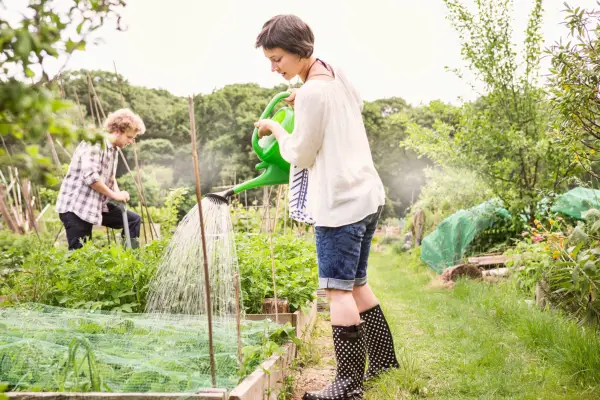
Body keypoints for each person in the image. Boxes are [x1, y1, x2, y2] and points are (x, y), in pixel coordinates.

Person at [254, 14, 399, 400]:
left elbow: (300, 153)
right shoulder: (332, 72)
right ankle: (385, 363)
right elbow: (354, 105)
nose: (273, 67)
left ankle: (348, 384)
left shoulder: (313, 94)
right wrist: (302, 97)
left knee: (337, 291)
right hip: (366, 193)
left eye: (277, 58)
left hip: (340, 202)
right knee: (358, 284)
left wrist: (277, 129)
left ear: (300, 51)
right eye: (269, 59)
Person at [56, 108, 145, 250]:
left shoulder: (113, 148)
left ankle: (130, 260)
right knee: (80, 256)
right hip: (76, 207)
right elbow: (92, 178)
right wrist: (115, 195)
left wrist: (118, 193)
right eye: (129, 137)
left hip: (96, 204)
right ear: (117, 131)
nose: (131, 141)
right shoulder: (96, 143)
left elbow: (110, 177)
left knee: (132, 220)